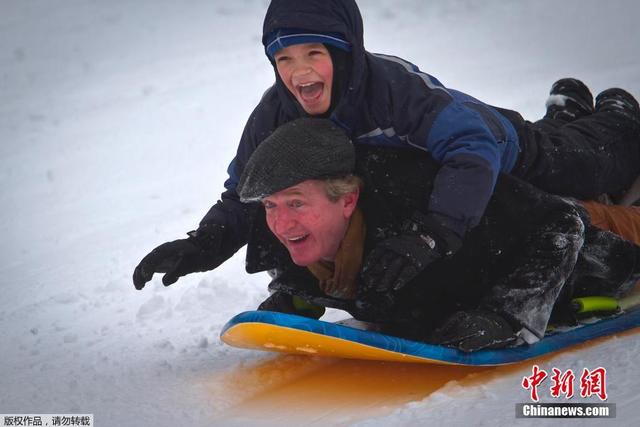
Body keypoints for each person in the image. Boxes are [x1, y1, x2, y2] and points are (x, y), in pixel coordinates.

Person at [133, 0, 640, 296]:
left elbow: (470, 146)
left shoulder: (391, 87)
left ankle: (616, 116)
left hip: (504, 146)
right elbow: (245, 191)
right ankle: (567, 110)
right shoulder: (275, 113)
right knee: (562, 143)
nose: (300, 71)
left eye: (315, 53)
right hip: (467, 158)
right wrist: (205, 244)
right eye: (284, 58)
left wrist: (435, 233)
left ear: (345, 52)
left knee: (592, 164)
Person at [227, 118, 640, 352]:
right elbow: (304, 258)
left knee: (605, 175)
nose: (281, 224)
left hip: (576, 230)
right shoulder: (292, 237)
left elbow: (561, 224)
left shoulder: (419, 204)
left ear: (348, 200)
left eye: (296, 203)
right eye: (270, 206)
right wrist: (299, 295)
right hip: (519, 190)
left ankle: (617, 112)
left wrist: (507, 314)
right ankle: (570, 109)